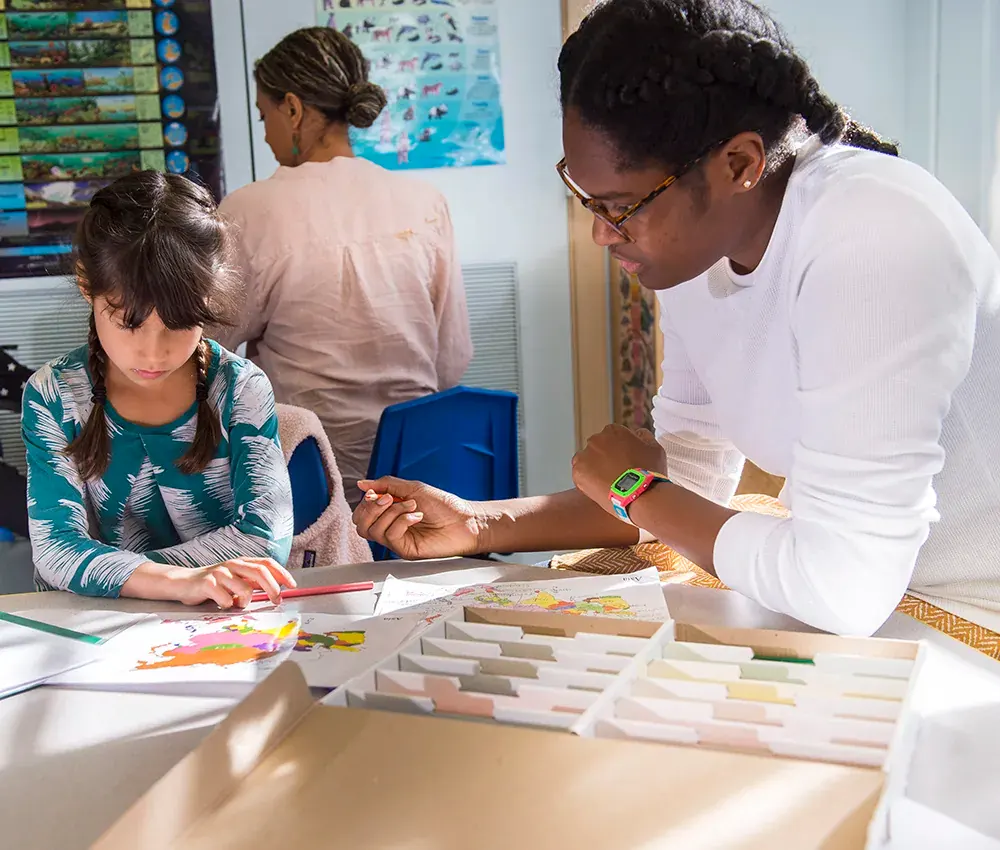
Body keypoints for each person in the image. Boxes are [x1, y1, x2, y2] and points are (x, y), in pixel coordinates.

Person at [354, 0, 1000, 637]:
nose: (602, 235)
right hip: (838, 588)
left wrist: (633, 487)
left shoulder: (875, 239)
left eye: (622, 205)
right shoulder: (702, 250)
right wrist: (481, 524)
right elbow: (687, 484)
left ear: (740, 164)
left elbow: (843, 588)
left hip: (965, 613)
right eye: (589, 202)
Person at [216, 27, 473, 502]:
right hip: (420, 487)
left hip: (307, 482)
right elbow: (451, 363)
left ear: (292, 108)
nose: (268, 134)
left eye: (264, 116)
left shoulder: (250, 210)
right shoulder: (423, 201)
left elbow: (211, 351)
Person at [21, 172, 296, 607]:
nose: (153, 354)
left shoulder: (241, 387)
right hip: (104, 633)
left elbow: (266, 539)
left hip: (222, 619)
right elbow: (55, 550)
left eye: (180, 323)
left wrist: (121, 574)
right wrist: (179, 581)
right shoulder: (52, 395)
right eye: (130, 324)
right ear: (86, 284)